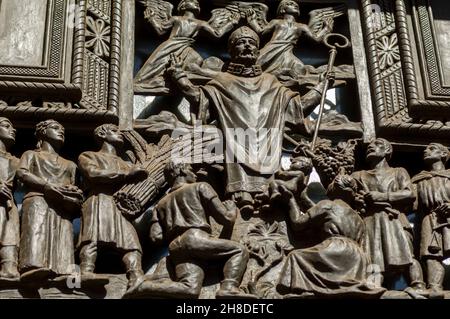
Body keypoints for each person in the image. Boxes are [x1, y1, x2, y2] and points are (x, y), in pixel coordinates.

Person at [168, 26, 329, 213]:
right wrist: (179, 77)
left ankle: (269, 197)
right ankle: (241, 197)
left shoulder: (271, 82)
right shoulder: (222, 81)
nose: (246, 46)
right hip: (235, 142)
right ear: (231, 50)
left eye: (251, 43)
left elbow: (298, 109)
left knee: (270, 192)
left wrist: (321, 87)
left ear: (257, 50)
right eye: (241, 43)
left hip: (268, 145)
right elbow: (200, 99)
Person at [126, 162, 252, 299]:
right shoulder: (201, 187)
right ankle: (229, 288)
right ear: (181, 171)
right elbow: (226, 219)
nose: (195, 174)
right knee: (240, 250)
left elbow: (156, 237)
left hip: (176, 248)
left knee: (190, 290)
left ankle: (144, 286)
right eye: (191, 170)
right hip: (196, 239)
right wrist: (232, 209)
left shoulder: (160, 205)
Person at [329, 138, 425, 291]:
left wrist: (382, 196)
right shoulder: (359, 175)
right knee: (372, 258)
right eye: (369, 145)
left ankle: (418, 285)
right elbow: (339, 191)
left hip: (394, 219)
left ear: (387, 151)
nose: (371, 147)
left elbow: (410, 194)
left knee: (406, 254)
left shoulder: (398, 172)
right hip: (369, 221)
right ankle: (374, 287)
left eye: (378, 144)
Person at [77, 124, 148, 288]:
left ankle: (136, 275)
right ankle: (86, 271)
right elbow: (93, 174)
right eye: (115, 131)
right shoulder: (88, 156)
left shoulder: (126, 163)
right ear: (102, 133)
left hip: (120, 205)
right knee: (92, 237)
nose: (120, 134)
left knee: (131, 241)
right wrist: (126, 175)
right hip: (99, 199)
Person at [278, 199, 386, 298]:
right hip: (359, 256)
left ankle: (303, 291)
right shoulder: (358, 218)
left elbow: (298, 223)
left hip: (336, 248)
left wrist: (290, 199)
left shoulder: (326, 205)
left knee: (295, 256)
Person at [18, 120, 83, 281]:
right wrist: (47, 186)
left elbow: (74, 186)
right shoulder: (31, 155)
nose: (61, 132)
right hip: (38, 199)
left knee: (63, 235)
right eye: (55, 128)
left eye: (63, 130)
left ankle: (64, 271)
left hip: (61, 205)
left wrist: (73, 192)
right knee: (36, 231)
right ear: (42, 133)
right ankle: (32, 267)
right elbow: (22, 173)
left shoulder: (70, 165)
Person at [135, 0, 238, 94]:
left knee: (192, 64)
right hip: (171, 45)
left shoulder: (201, 23)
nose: (196, 2)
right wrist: (151, 19)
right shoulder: (176, 19)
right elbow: (161, 30)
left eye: (197, 2)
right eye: (191, 1)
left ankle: (172, 84)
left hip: (187, 48)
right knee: (155, 63)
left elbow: (217, 33)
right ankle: (142, 83)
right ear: (183, 6)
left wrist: (231, 23)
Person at [412, 143, 450, 297]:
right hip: (430, 218)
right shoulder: (419, 179)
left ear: (443, 154)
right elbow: (410, 204)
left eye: (432, 148)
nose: (426, 150)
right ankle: (435, 287)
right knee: (431, 253)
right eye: (426, 148)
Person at [0, 118, 19, 279]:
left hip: (8, 203)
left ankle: (9, 267)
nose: (12, 130)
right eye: (6, 126)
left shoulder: (16, 161)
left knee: (9, 233)